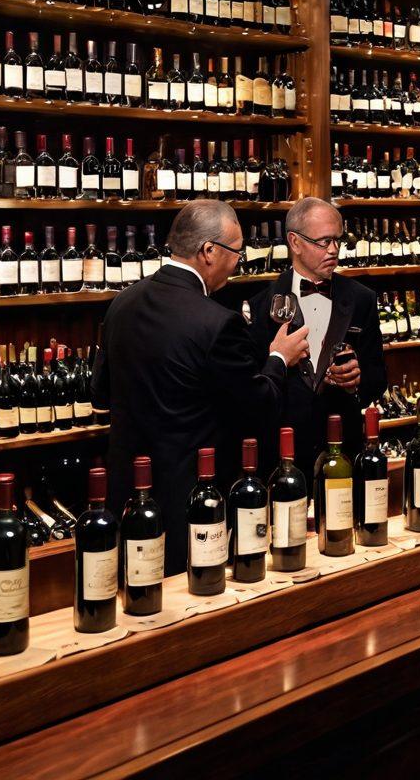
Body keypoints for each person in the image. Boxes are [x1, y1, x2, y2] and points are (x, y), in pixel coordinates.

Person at [91, 200, 310, 575]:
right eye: (237, 251)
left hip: (128, 493)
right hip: (190, 499)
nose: (239, 262)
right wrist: (278, 358)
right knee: (194, 594)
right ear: (209, 251)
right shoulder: (217, 323)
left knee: (136, 593)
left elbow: (101, 394)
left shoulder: (121, 304)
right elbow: (257, 408)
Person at [247, 197, 387, 481]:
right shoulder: (259, 304)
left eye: (338, 240)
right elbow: (252, 389)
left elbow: (378, 377)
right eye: (324, 242)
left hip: (342, 450)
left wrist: (357, 382)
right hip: (283, 456)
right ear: (295, 242)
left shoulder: (362, 299)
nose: (334, 250)